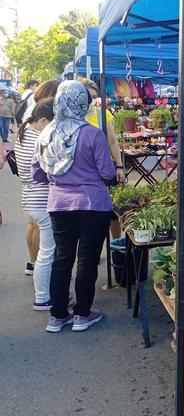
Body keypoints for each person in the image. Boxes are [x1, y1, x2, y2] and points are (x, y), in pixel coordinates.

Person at [32, 80, 115, 333]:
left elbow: (37, 174)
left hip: (58, 205)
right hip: (93, 204)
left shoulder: (45, 134)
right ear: (83, 103)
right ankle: (82, 314)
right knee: (87, 261)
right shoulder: (91, 133)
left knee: (62, 259)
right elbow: (107, 171)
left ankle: (57, 316)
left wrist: (60, 176)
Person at [15, 99, 56, 310]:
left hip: (30, 197)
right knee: (47, 253)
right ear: (42, 120)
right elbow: (46, 171)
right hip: (41, 199)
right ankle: (43, 298)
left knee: (46, 253)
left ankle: (47, 294)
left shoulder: (24, 134)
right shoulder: (39, 139)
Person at [22, 80, 61, 274]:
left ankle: (33, 265)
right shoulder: (39, 135)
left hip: (29, 191)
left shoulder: (26, 126)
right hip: (40, 194)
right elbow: (41, 168)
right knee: (47, 252)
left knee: (33, 225)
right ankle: (44, 293)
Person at [79, 78, 125, 184]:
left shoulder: (103, 114)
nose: (92, 100)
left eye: (94, 97)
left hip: (101, 169)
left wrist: (119, 166)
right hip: (80, 171)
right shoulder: (72, 116)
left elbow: (113, 142)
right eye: (88, 96)